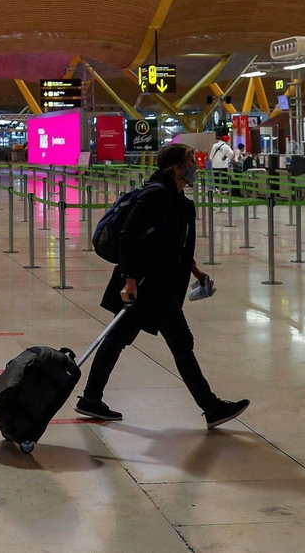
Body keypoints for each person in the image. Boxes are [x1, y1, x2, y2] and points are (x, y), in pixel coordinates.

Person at [76, 142, 249, 429]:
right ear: (177, 168)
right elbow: (129, 237)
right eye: (191, 159)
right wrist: (129, 280)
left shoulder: (177, 198)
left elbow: (172, 243)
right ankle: (211, 407)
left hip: (158, 283)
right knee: (180, 344)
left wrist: (194, 270)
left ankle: (91, 397)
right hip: (146, 285)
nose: (196, 164)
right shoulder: (156, 197)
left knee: (120, 339)